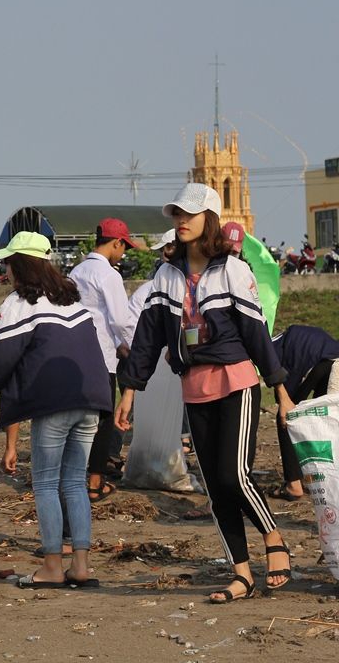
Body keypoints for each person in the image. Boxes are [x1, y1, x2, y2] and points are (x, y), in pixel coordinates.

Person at [115, 182, 295, 603]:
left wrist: (281, 389)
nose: (180, 220)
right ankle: (242, 574)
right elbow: (146, 339)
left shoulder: (233, 270)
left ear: (208, 219)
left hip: (236, 383)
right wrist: (130, 390)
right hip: (193, 387)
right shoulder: (165, 275)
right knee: (215, 487)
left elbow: (257, 336)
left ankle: (274, 538)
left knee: (234, 475)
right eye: (176, 214)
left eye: (189, 214)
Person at [0, 231, 110, 589]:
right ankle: (81, 566)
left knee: (46, 483)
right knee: (75, 482)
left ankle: (50, 566)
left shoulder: (20, 303)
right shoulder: (72, 300)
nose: (5, 271)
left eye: (8, 264)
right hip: (91, 400)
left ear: (20, 266)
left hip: (56, 403)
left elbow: (0, 355)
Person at [68, 218, 141, 503]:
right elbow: (121, 320)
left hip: (75, 353)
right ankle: (94, 483)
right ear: (116, 243)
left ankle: (74, 478)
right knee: (104, 419)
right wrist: (128, 347)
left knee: (78, 420)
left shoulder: (77, 271)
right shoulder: (109, 275)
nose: (123, 253)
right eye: (124, 247)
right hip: (102, 355)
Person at [270, 325, 339, 500]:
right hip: (329, 358)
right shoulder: (279, 340)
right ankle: (316, 476)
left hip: (326, 364)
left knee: (286, 417)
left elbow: (286, 390)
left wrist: (284, 402)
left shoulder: (267, 352)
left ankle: (294, 485)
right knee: (320, 419)